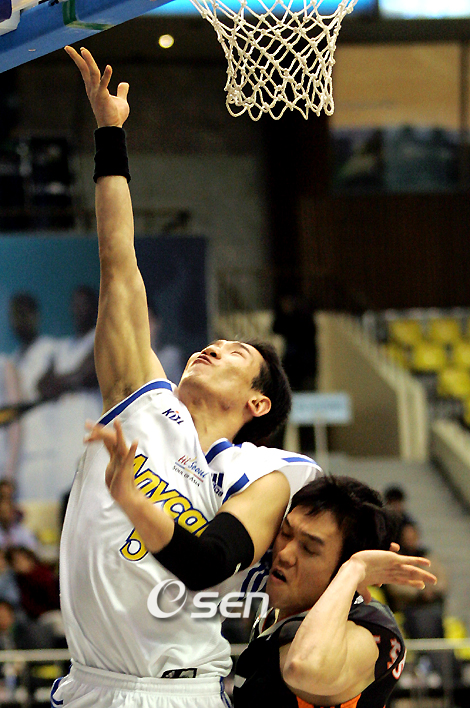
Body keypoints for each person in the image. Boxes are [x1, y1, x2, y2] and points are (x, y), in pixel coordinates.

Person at [54, 45, 321, 708]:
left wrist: (134, 499)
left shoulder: (262, 475)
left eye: (235, 353)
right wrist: (109, 135)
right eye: (216, 341)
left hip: (183, 690)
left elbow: (211, 564)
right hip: (91, 686)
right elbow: (118, 260)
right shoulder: (140, 398)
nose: (213, 347)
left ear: (259, 403)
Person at [233, 476, 437, 707]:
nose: (285, 554)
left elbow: (304, 666)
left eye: (309, 548)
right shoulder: (278, 609)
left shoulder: (368, 631)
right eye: (286, 533)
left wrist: (355, 569)